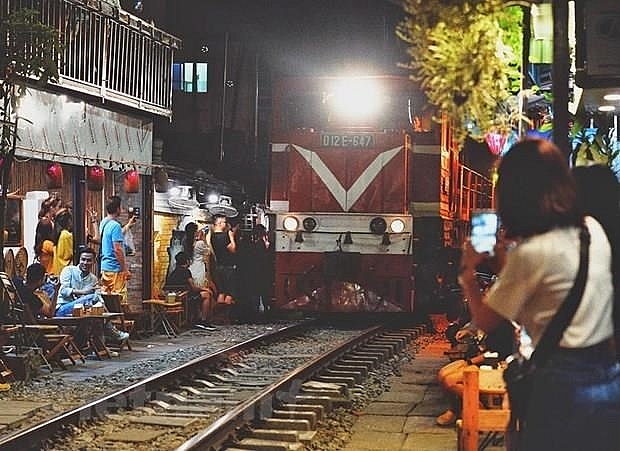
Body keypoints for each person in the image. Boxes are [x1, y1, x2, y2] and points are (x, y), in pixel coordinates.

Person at [458, 139, 620, 450]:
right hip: (607, 378)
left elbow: (485, 320)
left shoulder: (530, 254)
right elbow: (548, 298)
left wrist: (468, 274)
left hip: (559, 386)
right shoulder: (592, 231)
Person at [55, 247, 129, 344]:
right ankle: (112, 332)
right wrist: (84, 292)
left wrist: (102, 309)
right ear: (79, 260)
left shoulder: (93, 279)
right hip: (63, 310)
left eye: (89, 260)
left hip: (82, 312)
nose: (85, 263)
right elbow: (63, 290)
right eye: (83, 259)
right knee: (92, 298)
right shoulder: (68, 270)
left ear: (94, 262)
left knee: (97, 319)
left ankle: (100, 349)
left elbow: (98, 296)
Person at [165, 251, 216, 330]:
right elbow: (194, 288)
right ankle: (203, 320)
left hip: (175, 297)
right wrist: (205, 288)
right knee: (206, 295)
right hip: (185, 297)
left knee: (202, 294)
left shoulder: (173, 272)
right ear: (187, 261)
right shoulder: (186, 271)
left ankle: (198, 318)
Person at [99, 196, 131, 301]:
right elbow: (117, 249)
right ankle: (120, 318)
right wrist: (125, 269)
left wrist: (129, 225)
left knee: (108, 299)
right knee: (119, 299)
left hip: (105, 267)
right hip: (115, 269)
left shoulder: (104, 223)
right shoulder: (115, 225)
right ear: (117, 208)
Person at [208, 214, 238, 306]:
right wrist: (232, 237)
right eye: (224, 222)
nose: (225, 224)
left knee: (221, 292)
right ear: (219, 223)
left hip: (218, 266)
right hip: (228, 267)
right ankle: (226, 316)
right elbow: (233, 250)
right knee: (229, 294)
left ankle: (218, 317)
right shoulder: (225, 236)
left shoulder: (212, 236)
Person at [34, 195, 61, 274]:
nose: (59, 209)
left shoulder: (51, 221)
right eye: (58, 207)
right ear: (51, 208)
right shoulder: (45, 222)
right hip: (49, 269)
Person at [52, 208, 73, 276]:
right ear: (68, 221)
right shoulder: (66, 235)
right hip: (66, 271)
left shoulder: (58, 233)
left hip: (58, 270)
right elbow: (68, 255)